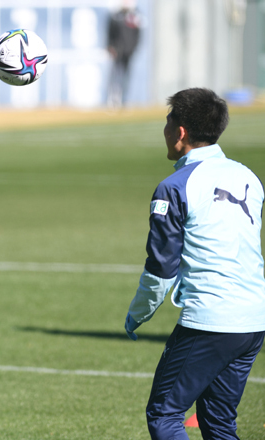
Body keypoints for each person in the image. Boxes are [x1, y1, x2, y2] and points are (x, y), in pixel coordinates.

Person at [124, 88, 265, 440]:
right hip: (253, 320)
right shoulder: (248, 177)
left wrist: (138, 313)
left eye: (167, 122)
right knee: (218, 422)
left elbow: (161, 269)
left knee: (165, 414)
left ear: (181, 131)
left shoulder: (175, 186)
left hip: (210, 319)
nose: (165, 131)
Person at [106, 2, 141, 107]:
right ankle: (113, 99)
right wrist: (111, 46)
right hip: (117, 50)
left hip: (128, 51)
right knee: (115, 75)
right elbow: (110, 33)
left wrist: (133, 48)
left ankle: (124, 99)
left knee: (126, 76)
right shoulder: (115, 16)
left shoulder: (134, 16)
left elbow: (137, 35)